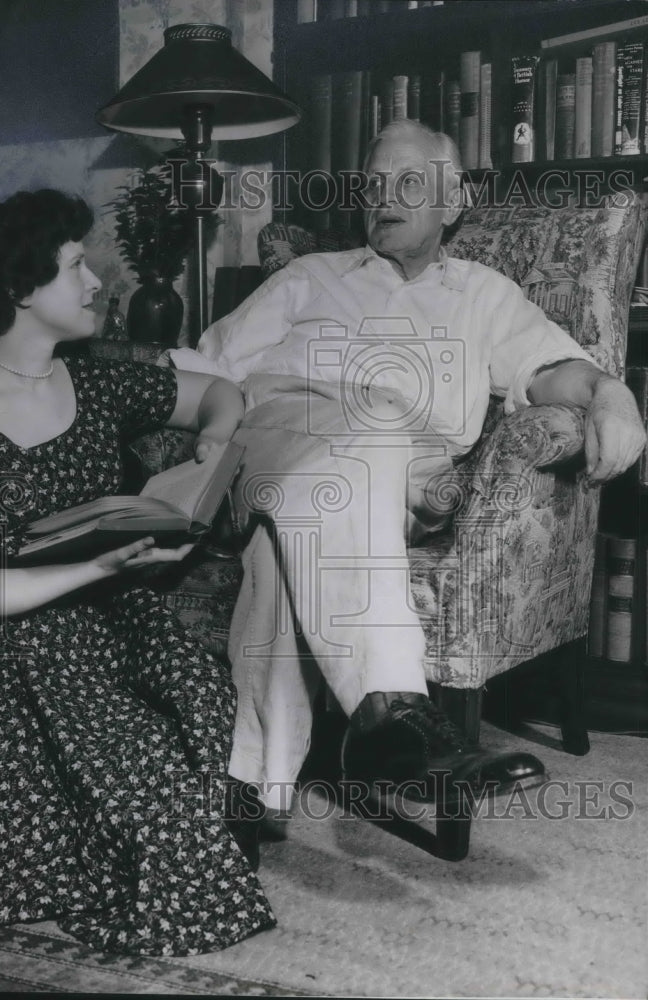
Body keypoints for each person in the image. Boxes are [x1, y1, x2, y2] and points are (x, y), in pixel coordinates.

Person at [169, 120, 647, 823]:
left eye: (409, 183)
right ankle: (392, 709)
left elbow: (551, 370)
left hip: (387, 487)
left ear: (453, 201)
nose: (384, 198)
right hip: (278, 435)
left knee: (288, 538)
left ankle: (251, 789)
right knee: (368, 424)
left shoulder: (485, 296)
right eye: (374, 185)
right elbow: (210, 363)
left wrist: (612, 393)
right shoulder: (308, 278)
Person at [0, 189, 276, 956]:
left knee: (198, 690)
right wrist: (98, 563)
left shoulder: (98, 383)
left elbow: (221, 392)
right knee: (93, 774)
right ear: (17, 288)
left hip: (104, 612)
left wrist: (213, 444)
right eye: (75, 266)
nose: (98, 281)